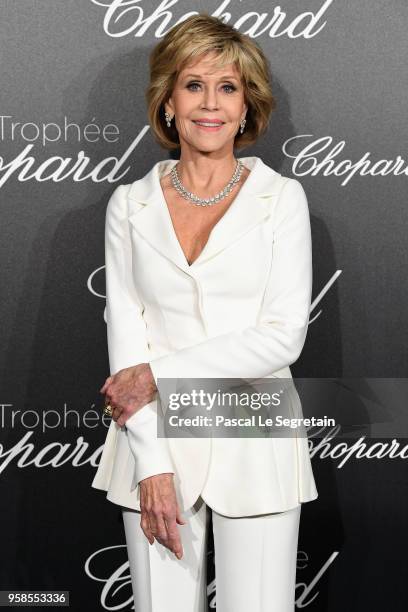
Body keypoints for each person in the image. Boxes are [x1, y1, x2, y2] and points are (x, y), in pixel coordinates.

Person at [92, 13, 318, 612]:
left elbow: (282, 337)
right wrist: (153, 463)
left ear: (247, 107)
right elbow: (126, 342)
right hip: (152, 439)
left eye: (227, 87)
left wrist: (156, 377)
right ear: (168, 101)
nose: (209, 104)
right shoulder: (129, 205)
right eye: (193, 85)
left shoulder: (282, 200)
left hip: (256, 431)